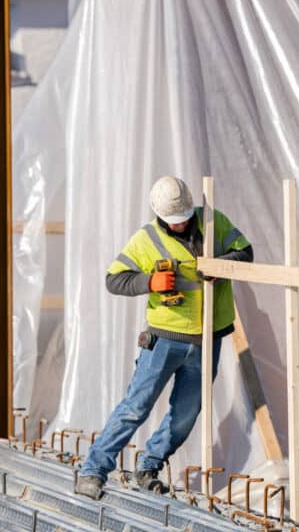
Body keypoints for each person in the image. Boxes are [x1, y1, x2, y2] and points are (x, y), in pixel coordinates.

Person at [76, 175, 253, 499]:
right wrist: (149, 282)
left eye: (185, 217)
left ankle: (149, 466)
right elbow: (113, 280)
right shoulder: (146, 239)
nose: (181, 224)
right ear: (159, 215)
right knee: (136, 407)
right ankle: (93, 471)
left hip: (206, 340)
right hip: (165, 340)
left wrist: (221, 266)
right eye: (175, 221)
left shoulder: (215, 222)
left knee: (187, 414)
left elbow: (245, 253)